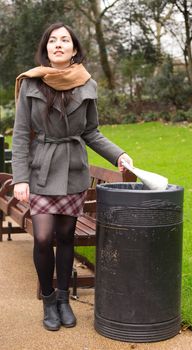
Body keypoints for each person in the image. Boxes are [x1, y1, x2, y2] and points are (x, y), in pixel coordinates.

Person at [12, 22, 133, 332]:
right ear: (46, 49)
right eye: (53, 40)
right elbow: (22, 133)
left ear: (74, 49)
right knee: (42, 237)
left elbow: (91, 131)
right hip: (40, 169)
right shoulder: (31, 83)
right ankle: (49, 300)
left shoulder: (86, 84)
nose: (59, 44)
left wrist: (117, 154)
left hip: (73, 170)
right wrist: (21, 177)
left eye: (65, 40)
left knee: (66, 237)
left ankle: (65, 300)